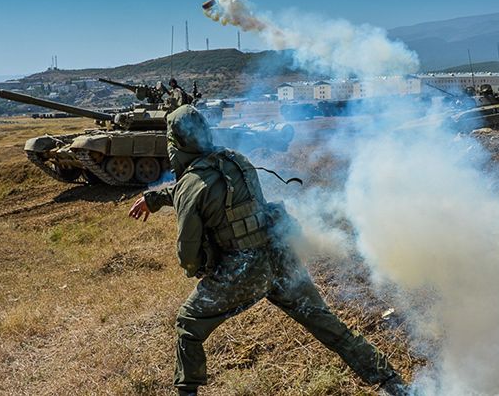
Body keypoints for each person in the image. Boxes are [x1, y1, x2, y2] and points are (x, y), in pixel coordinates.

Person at [129, 105, 409, 396]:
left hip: (242, 273)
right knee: (328, 325)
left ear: (175, 143)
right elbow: (196, 187)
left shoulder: (192, 183)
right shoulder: (234, 160)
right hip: (280, 256)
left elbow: (187, 251)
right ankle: (391, 382)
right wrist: (154, 198)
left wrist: (201, 269)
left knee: (188, 324)